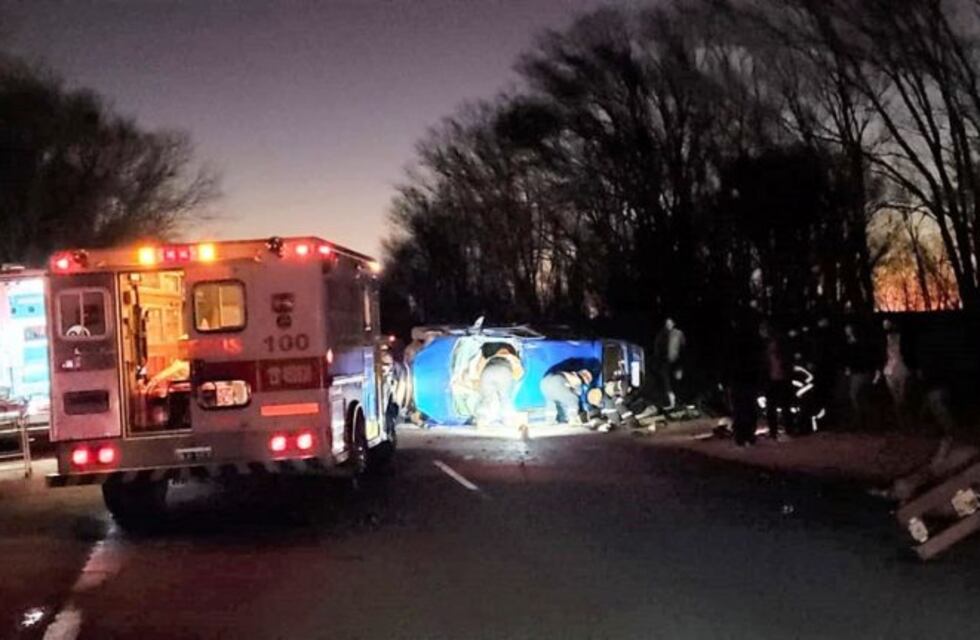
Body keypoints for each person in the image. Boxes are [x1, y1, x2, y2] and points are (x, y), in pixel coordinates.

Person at [728, 317, 762, 447]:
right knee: (749, 406)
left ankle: (741, 435)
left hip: (738, 378)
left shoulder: (733, 340)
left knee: (740, 408)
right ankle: (748, 434)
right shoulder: (751, 340)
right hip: (748, 377)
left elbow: (728, 359)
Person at [877, 318, 911, 430]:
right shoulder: (884, 341)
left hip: (901, 369)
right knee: (896, 398)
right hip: (890, 370)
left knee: (902, 397)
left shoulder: (902, 340)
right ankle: (901, 422)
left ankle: (904, 421)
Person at [760, 321, 792, 440]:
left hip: (780, 378)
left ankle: (787, 429)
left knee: (782, 406)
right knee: (773, 406)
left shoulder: (777, 344)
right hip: (773, 378)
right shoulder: (767, 346)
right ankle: (775, 430)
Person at [842, 322, 877, 430]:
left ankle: (862, 420)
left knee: (855, 395)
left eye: (848, 329)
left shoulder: (858, 344)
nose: (846, 331)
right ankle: (863, 420)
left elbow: (858, 358)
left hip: (860, 371)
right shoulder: (850, 343)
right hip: (858, 371)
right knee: (858, 396)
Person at [654, 317, 686, 410]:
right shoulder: (662, 334)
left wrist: (681, 363)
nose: (669, 325)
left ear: (674, 323)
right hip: (665, 362)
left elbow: (683, 347)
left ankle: (679, 401)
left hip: (677, 361)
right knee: (667, 381)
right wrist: (658, 359)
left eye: (670, 323)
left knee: (678, 380)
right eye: (667, 323)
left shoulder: (679, 333)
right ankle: (671, 402)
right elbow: (657, 346)